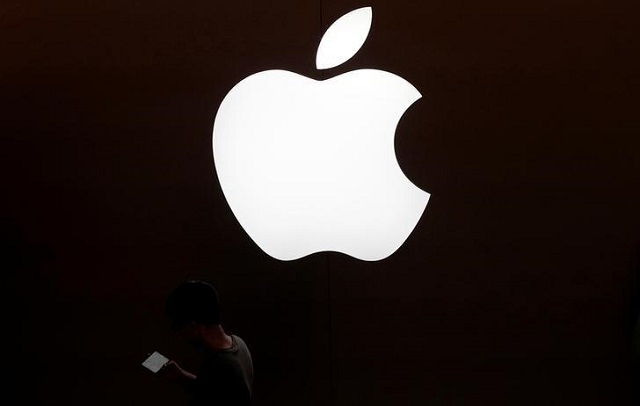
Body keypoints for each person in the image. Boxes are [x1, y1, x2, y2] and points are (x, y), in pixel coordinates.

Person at [162, 280, 253, 406]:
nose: (180, 335)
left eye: (179, 329)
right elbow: (215, 391)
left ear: (193, 326)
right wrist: (181, 376)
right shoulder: (238, 343)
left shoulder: (219, 366)